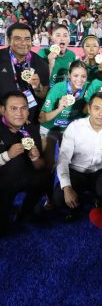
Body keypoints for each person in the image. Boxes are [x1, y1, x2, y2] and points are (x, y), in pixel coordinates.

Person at [54, 93, 102, 216]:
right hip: (76, 171)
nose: (101, 114)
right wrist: (67, 188)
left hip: (100, 171)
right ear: (89, 109)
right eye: (97, 108)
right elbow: (63, 160)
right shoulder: (74, 127)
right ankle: (82, 200)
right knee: (59, 198)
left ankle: (97, 196)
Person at [0, 91, 51, 235]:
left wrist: (36, 159)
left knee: (46, 175)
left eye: (23, 108)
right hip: (2, 182)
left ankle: (25, 212)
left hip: (23, 177)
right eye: (13, 108)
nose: (19, 113)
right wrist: (6, 156)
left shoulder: (31, 129)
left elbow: (40, 166)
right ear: (3, 110)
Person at [39, 61, 88, 171]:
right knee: (49, 164)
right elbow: (41, 118)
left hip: (69, 130)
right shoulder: (58, 88)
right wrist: (59, 108)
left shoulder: (87, 89)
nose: (79, 80)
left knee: (71, 164)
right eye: (75, 75)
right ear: (69, 75)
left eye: (83, 76)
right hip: (50, 127)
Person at [0, 23, 49, 123]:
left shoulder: (41, 63)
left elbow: (42, 94)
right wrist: (5, 112)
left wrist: (38, 87)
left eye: (27, 39)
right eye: (18, 38)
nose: (23, 43)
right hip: (3, 120)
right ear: (9, 40)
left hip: (30, 120)